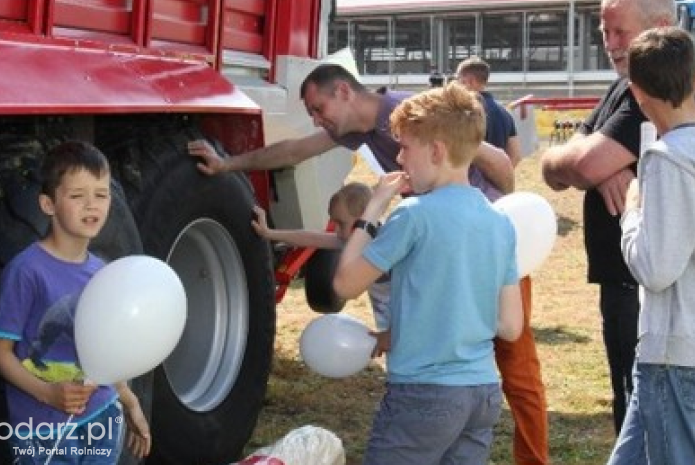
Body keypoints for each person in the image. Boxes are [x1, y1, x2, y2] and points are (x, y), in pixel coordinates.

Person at [539, 0, 695, 435]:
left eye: (620, 32)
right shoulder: (624, 86)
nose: (611, 44)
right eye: (605, 32)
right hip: (625, 279)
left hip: (646, 287)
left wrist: (589, 167)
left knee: (651, 410)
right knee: (635, 402)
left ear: (659, 28)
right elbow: (555, 165)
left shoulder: (663, 85)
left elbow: (581, 165)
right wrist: (595, 170)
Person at [332, 82, 524, 465]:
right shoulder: (499, 221)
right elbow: (510, 326)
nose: (400, 159)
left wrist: (371, 212)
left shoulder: (412, 215)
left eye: (405, 147)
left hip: (423, 392)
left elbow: (345, 283)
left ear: (436, 150)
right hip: (481, 392)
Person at [607, 26, 695, 465]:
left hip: (673, 348)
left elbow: (656, 267)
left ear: (636, 92)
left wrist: (632, 212)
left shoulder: (667, 160)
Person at [0, 141, 151, 464]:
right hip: (44, 430)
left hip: (102, 416)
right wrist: (47, 393)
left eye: (101, 195)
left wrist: (129, 402)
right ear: (48, 204)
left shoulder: (102, 273)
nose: (92, 205)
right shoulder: (27, 271)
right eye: (77, 196)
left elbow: (103, 352)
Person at [187, 63, 515, 199]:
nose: (316, 120)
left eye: (319, 109)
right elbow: (292, 151)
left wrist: (502, 214)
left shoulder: (416, 112)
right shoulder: (356, 131)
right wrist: (225, 164)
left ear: (344, 91)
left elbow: (497, 160)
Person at [456, 56, 549, 465]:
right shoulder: (502, 113)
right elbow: (515, 157)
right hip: (497, 243)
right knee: (519, 369)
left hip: (489, 249)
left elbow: (504, 165)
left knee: (512, 363)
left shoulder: (461, 120)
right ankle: (531, 456)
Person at [251, 182, 390, 331]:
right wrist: (270, 233)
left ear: (364, 218)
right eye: (334, 222)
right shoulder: (357, 240)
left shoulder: (385, 246)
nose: (336, 230)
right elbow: (311, 238)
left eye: (341, 224)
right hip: (389, 326)